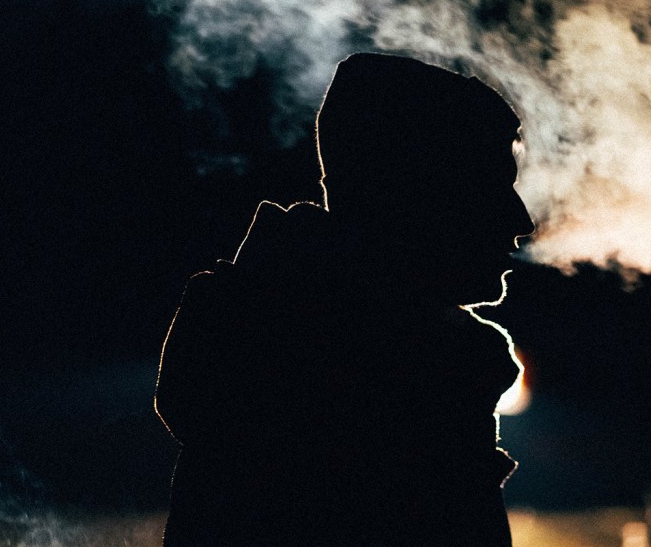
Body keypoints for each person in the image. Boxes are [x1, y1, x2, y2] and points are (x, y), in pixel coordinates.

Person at [154, 53, 535, 545]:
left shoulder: (277, 359)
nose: (521, 221)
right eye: (491, 187)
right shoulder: (376, 391)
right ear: (413, 198)